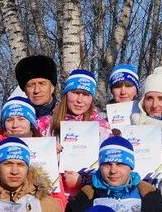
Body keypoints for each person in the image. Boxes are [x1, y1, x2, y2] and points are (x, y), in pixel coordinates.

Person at [43, 69, 111, 202]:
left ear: (91, 98)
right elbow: (32, 163)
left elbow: (110, 169)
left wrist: (83, 181)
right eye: (75, 93)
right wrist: (46, 151)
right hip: (53, 197)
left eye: (85, 94)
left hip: (88, 197)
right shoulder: (45, 124)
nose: (80, 100)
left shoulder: (102, 128)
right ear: (66, 94)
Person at [15, 54, 58, 122]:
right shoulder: (15, 119)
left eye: (42, 84)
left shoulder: (66, 114)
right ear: (24, 90)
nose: (36, 90)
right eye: (30, 85)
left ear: (52, 87)